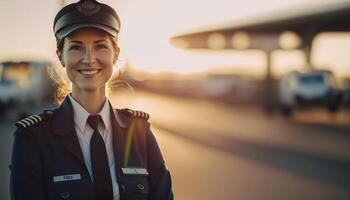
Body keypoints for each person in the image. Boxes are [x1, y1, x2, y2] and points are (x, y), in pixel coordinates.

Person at [10, 0, 173, 200]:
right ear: (61, 56)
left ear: (116, 54)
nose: (89, 58)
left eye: (100, 46)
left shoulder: (139, 132)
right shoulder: (33, 139)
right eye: (76, 47)